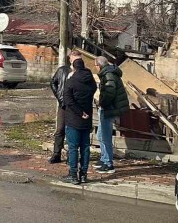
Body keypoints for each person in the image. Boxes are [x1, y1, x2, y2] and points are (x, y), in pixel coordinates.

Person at [61, 57, 97, 185]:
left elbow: (68, 100)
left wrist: (79, 112)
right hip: (87, 116)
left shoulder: (71, 81)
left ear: (74, 67)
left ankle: (73, 174)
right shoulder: (91, 80)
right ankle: (83, 174)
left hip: (74, 118)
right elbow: (94, 89)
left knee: (73, 147)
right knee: (85, 147)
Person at [94, 56, 129, 174]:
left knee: (105, 136)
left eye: (95, 65)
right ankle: (104, 158)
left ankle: (108, 164)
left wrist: (102, 103)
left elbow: (110, 92)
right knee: (100, 135)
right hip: (109, 108)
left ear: (99, 66)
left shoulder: (108, 75)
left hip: (109, 109)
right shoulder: (109, 73)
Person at [48, 50, 83, 164]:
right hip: (63, 105)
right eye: (74, 58)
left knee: (72, 131)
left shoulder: (81, 72)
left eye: (78, 59)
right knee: (60, 129)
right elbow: (53, 82)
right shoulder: (62, 70)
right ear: (70, 59)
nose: (75, 61)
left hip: (75, 106)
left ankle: (71, 156)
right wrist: (59, 97)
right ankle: (56, 154)